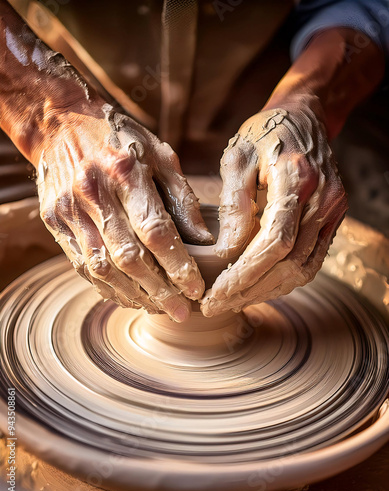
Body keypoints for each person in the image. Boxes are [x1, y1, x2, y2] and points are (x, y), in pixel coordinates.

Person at [0, 0, 387, 322]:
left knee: (338, 215)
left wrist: (307, 102)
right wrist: (48, 113)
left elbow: (363, 7)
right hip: (54, 81)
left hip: (277, 82)